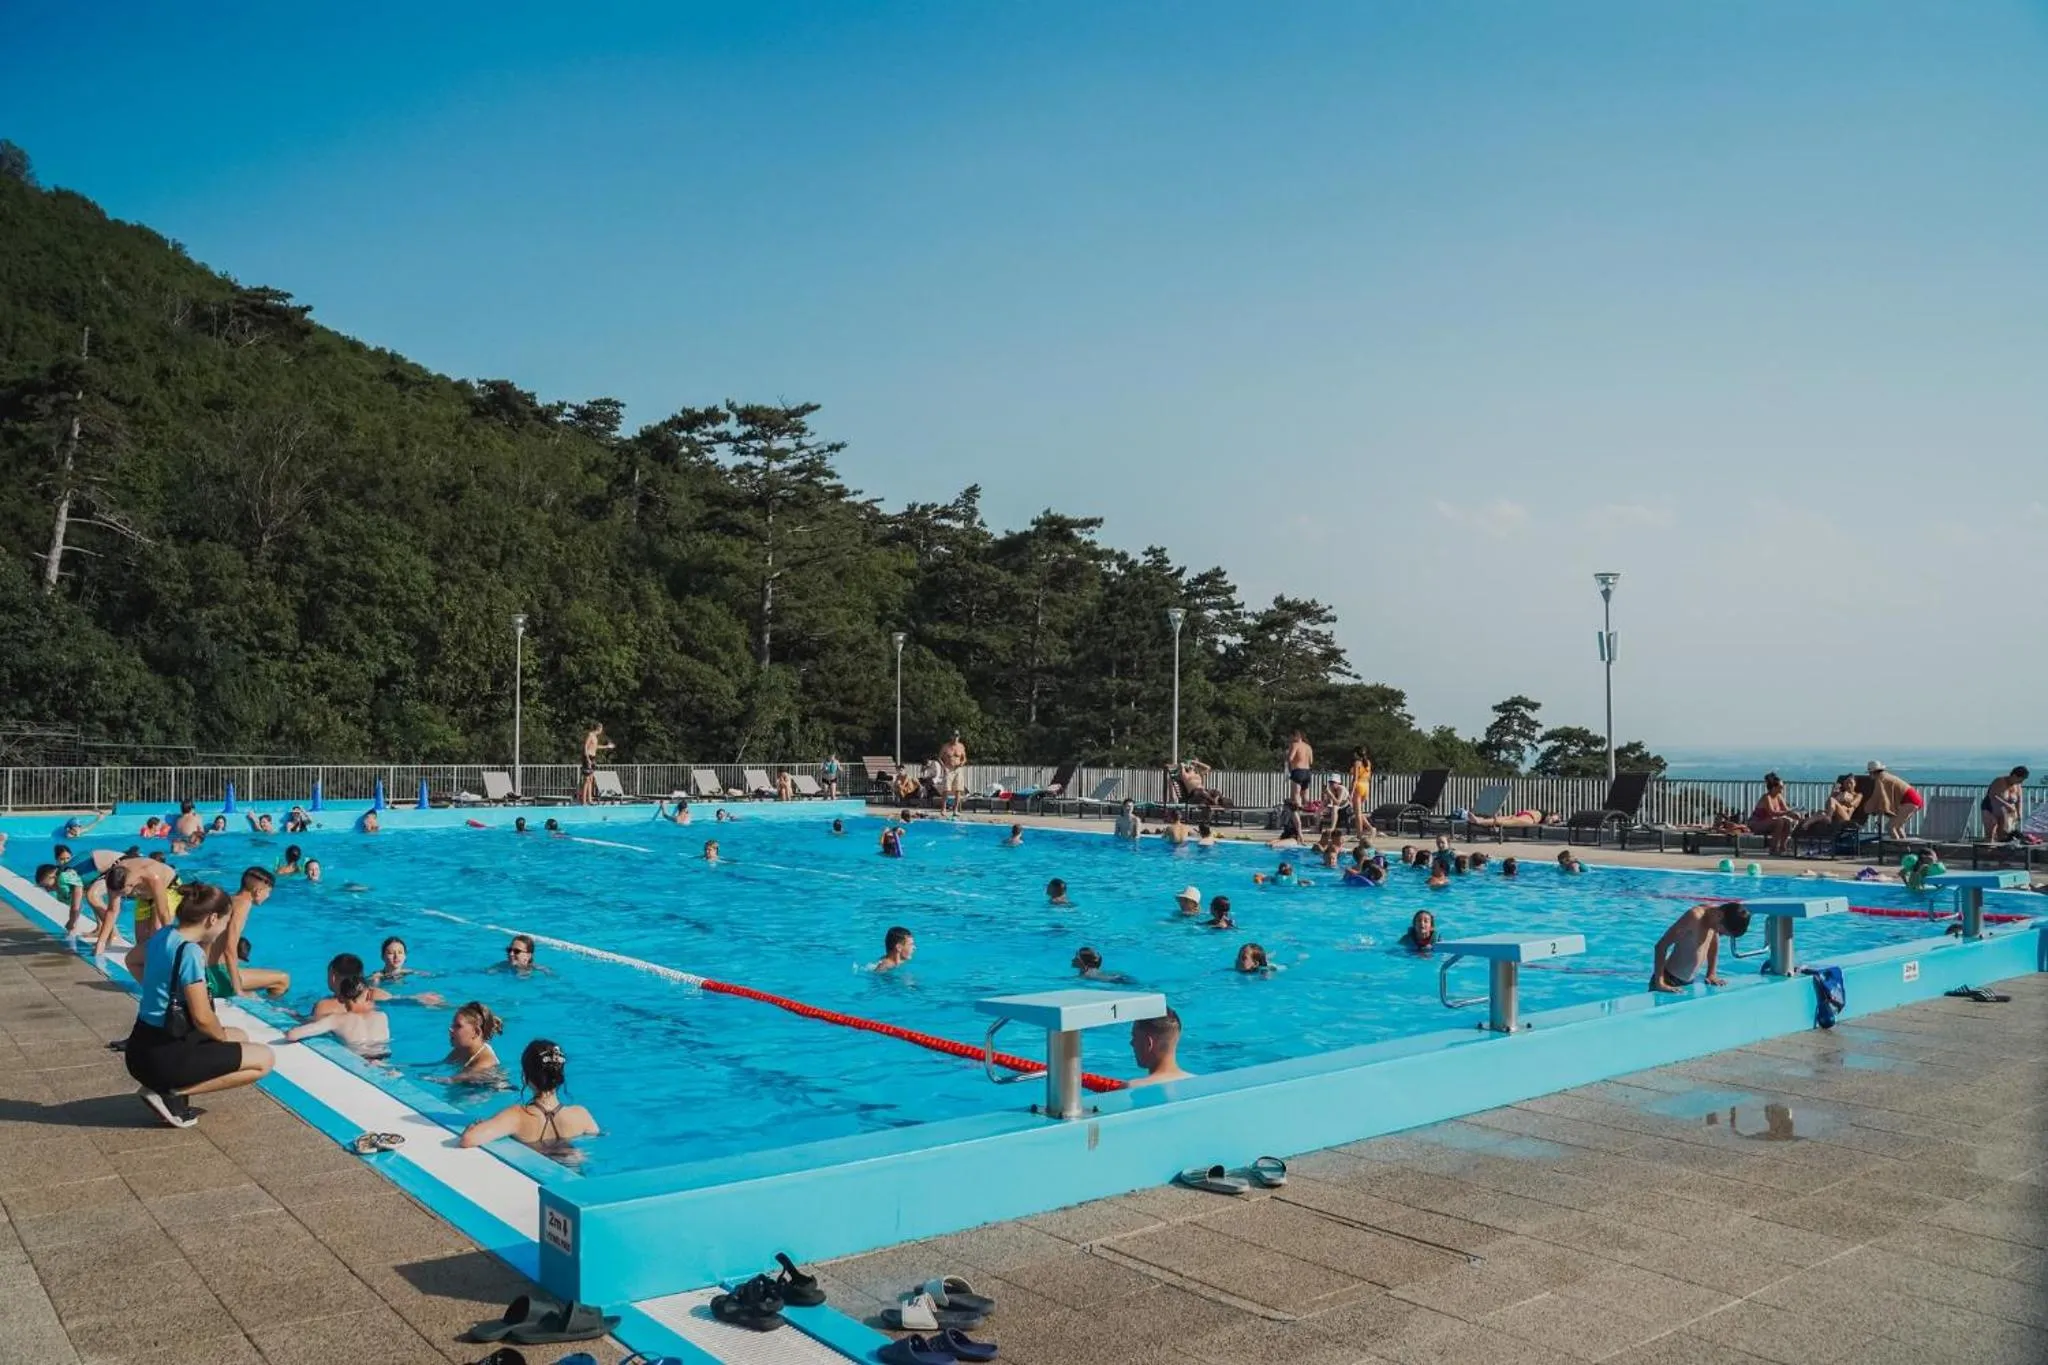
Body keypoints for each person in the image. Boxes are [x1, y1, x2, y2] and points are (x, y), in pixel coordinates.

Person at [123, 882, 274, 1127]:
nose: (224, 929)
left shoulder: (165, 935)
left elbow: (132, 961)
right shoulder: (190, 953)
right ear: (212, 919)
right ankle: (170, 1093)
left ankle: (166, 1089)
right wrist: (220, 1038)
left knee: (241, 1035)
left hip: (141, 1049)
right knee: (264, 1059)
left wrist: (159, 993)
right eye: (225, 922)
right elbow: (203, 1017)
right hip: (164, 1057)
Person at [460, 1039, 599, 1153]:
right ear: (559, 1076)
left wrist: (472, 1128)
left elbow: (468, 1140)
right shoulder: (581, 1115)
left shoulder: (516, 1116)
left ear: (526, 1077)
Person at [204, 868, 290, 999]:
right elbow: (229, 949)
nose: (268, 896)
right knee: (283, 980)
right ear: (258, 891)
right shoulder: (243, 905)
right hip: (215, 975)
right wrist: (237, 989)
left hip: (202, 971)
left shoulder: (229, 900)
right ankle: (272, 1007)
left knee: (253, 990)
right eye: (269, 892)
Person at [1651, 901, 1751, 993]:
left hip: (1689, 982)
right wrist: (1660, 983)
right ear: (1719, 915)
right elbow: (1661, 946)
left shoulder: (1715, 918)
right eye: (1722, 931)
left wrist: (1711, 973)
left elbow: (1713, 944)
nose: (1720, 934)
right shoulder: (1694, 917)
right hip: (1668, 979)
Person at [283, 974, 389, 1051]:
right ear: (368, 996)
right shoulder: (382, 1016)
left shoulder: (336, 1019)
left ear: (341, 999)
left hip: (361, 1062)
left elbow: (292, 1035)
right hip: (385, 1061)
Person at [1862, 761, 1925, 840]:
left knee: (1890, 827)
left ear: (1873, 773)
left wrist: (1869, 808)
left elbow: (1880, 797)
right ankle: (1904, 847)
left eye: (1869, 773)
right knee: (1897, 827)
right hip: (1914, 800)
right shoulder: (1885, 776)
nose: (1869, 775)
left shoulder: (1880, 780)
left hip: (1909, 801)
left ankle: (1898, 848)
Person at [1128, 1009, 1191, 1086]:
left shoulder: (1134, 1087)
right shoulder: (1198, 1081)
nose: (1131, 1043)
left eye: (1134, 1037)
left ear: (1148, 1044)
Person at [443, 1001, 505, 1080]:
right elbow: (440, 1065)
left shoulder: (486, 1062)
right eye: (452, 1025)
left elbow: (453, 1080)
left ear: (476, 1032)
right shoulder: (460, 1050)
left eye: (458, 1026)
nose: (450, 1029)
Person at [1748, 774, 1798, 856]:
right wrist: (1787, 813)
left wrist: (1795, 815)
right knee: (1779, 822)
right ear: (1774, 788)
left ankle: (1783, 847)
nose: (1782, 789)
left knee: (1787, 821)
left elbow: (1786, 810)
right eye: (1781, 787)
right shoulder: (1766, 797)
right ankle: (1773, 849)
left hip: (1769, 822)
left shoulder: (1779, 797)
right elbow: (1772, 812)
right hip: (1757, 823)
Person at [34, 862, 88, 937]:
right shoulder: (61, 893)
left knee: (92, 896)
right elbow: (76, 905)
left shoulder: (63, 877)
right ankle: (101, 928)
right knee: (89, 897)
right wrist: (72, 923)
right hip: (94, 878)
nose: (47, 890)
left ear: (52, 876)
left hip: (103, 871)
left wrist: (71, 922)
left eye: (46, 885)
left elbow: (75, 907)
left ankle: (107, 934)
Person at [1983, 766, 2029, 842]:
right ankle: (1988, 850)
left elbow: (2019, 799)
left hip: (2005, 812)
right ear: (2014, 776)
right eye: (2020, 780)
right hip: (1990, 808)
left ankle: (2000, 852)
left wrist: (2019, 812)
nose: (2021, 782)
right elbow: (1993, 796)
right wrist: (2008, 805)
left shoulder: (2017, 785)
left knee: (2003, 834)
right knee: (1991, 833)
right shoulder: (1999, 781)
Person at [579, 722, 615, 804]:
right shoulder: (590, 735)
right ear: (599, 728)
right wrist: (587, 759)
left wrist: (607, 746)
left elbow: (595, 747)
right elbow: (585, 746)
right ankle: (584, 801)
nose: (602, 730)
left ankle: (590, 800)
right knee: (587, 780)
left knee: (591, 780)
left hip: (593, 757)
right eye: (601, 728)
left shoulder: (595, 737)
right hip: (588, 757)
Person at [938, 732, 968, 816]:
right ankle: (943, 809)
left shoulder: (961, 746)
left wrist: (962, 763)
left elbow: (964, 758)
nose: (955, 738)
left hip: (958, 769)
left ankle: (955, 810)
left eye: (957, 736)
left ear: (959, 737)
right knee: (946, 789)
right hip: (948, 768)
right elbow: (939, 757)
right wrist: (943, 766)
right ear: (951, 737)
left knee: (958, 790)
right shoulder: (946, 746)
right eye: (954, 736)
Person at [1349, 747, 1376, 836]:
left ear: (1357, 754)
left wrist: (1351, 792)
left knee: (1357, 814)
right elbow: (1369, 777)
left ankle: (1359, 834)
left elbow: (1355, 778)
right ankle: (1370, 828)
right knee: (1359, 811)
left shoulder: (1357, 763)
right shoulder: (1368, 762)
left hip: (1359, 786)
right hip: (1366, 786)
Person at [1284, 731, 1314, 806]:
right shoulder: (1308, 747)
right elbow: (1311, 761)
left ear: (1296, 736)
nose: (1290, 739)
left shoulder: (1295, 745)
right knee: (1305, 796)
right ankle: (1307, 815)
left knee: (1296, 795)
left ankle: (1297, 815)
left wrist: (1287, 756)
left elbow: (1290, 758)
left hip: (1298, 771)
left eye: (1291, 737)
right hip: (1307, 772)